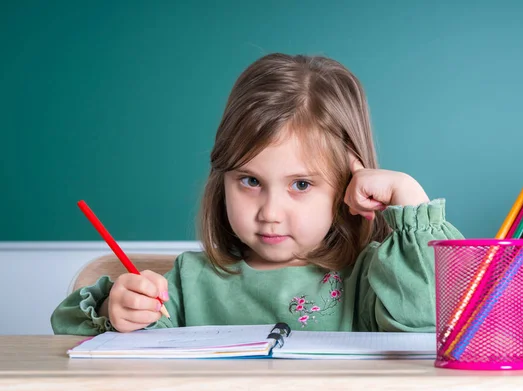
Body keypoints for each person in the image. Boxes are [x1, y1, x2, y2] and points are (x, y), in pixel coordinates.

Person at [51, 53, 463, 336]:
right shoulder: (187, 284)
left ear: (348, 184)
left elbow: (438, 321)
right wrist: (118, 313)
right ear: (222, 180)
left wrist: (409, 197)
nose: (270, 212)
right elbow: (85, 348)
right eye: (249, 181)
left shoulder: (374, 280)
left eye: (301, 185)